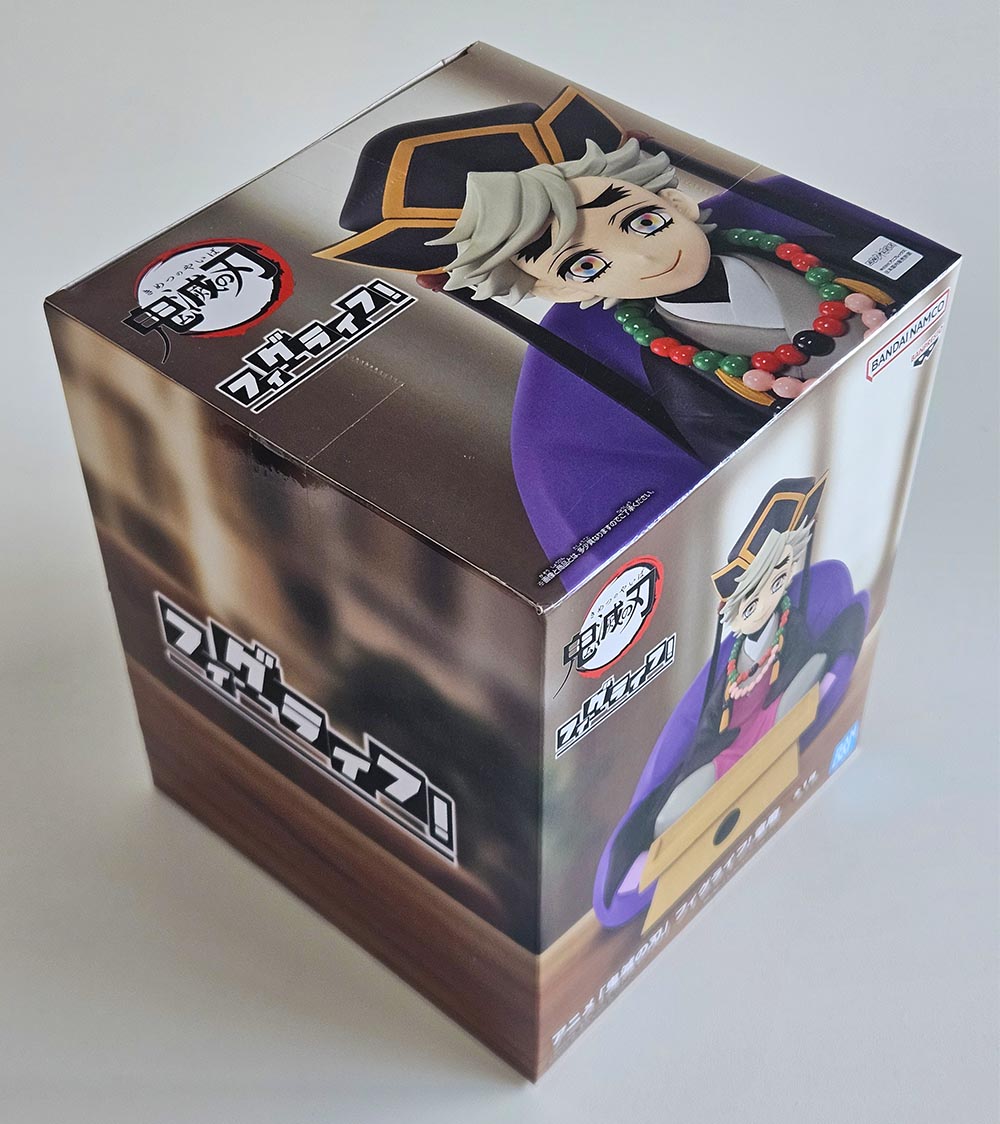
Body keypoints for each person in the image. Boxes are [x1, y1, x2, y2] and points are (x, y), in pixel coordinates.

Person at [594, 474, 868, 927]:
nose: (772, 594)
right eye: (755, 597)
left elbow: (812, 649)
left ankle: (797, 714)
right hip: (725, 751)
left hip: (777, 712)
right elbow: (701, 727)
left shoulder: (790, 621)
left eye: (779, 577)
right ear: (737, 610)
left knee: (812, 673)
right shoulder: (729, 665)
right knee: (670, 815)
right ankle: (644, 866)